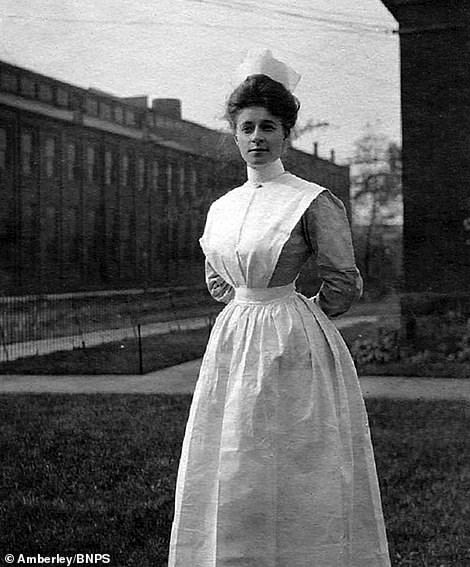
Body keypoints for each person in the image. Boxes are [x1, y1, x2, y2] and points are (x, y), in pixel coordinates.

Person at [168, 49, 390, 567]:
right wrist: (248, 308)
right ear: (235, 132)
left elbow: (342, 281)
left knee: (295, 452)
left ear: (286, 132)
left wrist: (296, 315)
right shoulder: (223, 206)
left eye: (268, 126)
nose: (256, 138)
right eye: (247, 127)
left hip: (292, 337)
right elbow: (218, 281)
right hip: (234, 337)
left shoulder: (310, 199)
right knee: (235, 452)